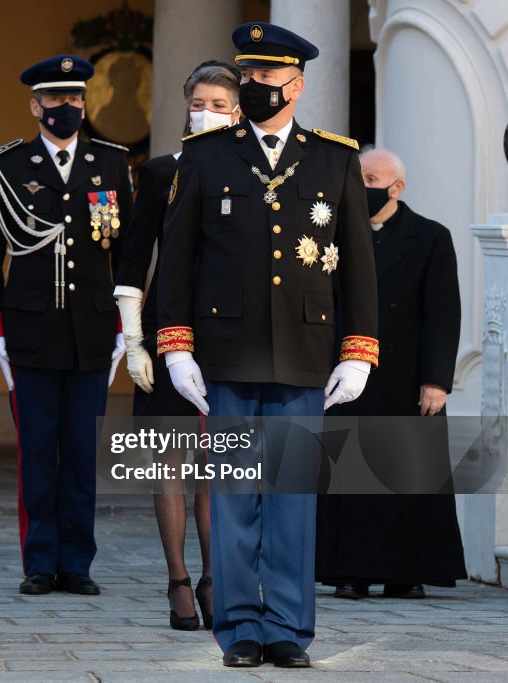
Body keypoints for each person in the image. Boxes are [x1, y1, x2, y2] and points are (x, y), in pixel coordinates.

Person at [156, 23, 378, 668]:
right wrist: (176, 347)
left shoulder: (336, 158)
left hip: (308, 353)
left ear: (297, 85)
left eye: (264, 80)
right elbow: (178, 260)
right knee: (232, 500)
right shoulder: (205, 155)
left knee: (290, 501)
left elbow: (359, 266)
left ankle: (287, 627)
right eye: (245, 78)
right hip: (226, 351)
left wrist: (359, 350)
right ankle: (239, 629)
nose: (252, 88)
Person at [0, 54, 130, 597]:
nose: (67, 108)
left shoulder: (111, 163)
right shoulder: (8, 166)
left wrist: (126, 326)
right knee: (38, 449)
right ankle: (40, 561)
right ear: (35, 105)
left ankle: (77, 562)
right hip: (30, 330)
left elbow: (130, 254)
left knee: (82, 452)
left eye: (76, 99)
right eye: (56, 99)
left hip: (92, 331)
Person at [115, 59, 241, 631]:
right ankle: (178, 581)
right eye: (200, 102)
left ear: (238, 111)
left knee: (218, 469)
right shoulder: (163, 171)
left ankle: (218, 579)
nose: (208, 112)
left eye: (220, 104)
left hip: (227, 336)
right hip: (167, 331)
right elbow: (134, 259)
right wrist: (134, 340)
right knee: (168, 463)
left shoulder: (251, 172)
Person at [316, 147, 465, 600]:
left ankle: (406, 571)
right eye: (358, 177)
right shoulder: (336, 235)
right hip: (350, 371)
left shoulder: (431, 237)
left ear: (396, 187)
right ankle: (351, 572)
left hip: (407, 378)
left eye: (372, 178)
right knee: (350, 475)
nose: (363, 187)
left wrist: (437, 380)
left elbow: (443, 314)